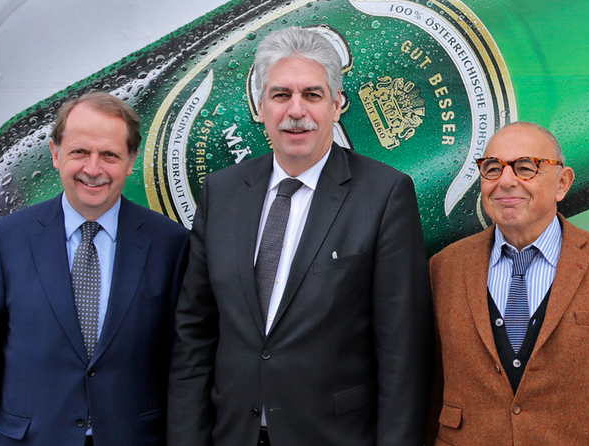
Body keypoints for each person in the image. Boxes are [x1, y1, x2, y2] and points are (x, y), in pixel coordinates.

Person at [167, 27, 433, 446]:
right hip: (232, 433)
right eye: (280, 95)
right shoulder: (222, 191)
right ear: (260, 107)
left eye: (312, 94)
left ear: (337, 104)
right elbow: (194, 335)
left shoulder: (384, 194)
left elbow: (403, 350)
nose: (296, 110)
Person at [0, 92, 189, 446]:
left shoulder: (170, 243)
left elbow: (183, 362)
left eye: (109, 155)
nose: (93, 169)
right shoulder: (6, 239)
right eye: (80, 152)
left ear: (131, 160)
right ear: (55, 153)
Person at [427, 121, 589, 444]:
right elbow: (430, 387)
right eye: (492, 168)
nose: (506, 181)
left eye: (525, 167)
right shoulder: (444, 268)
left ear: (562, 183)